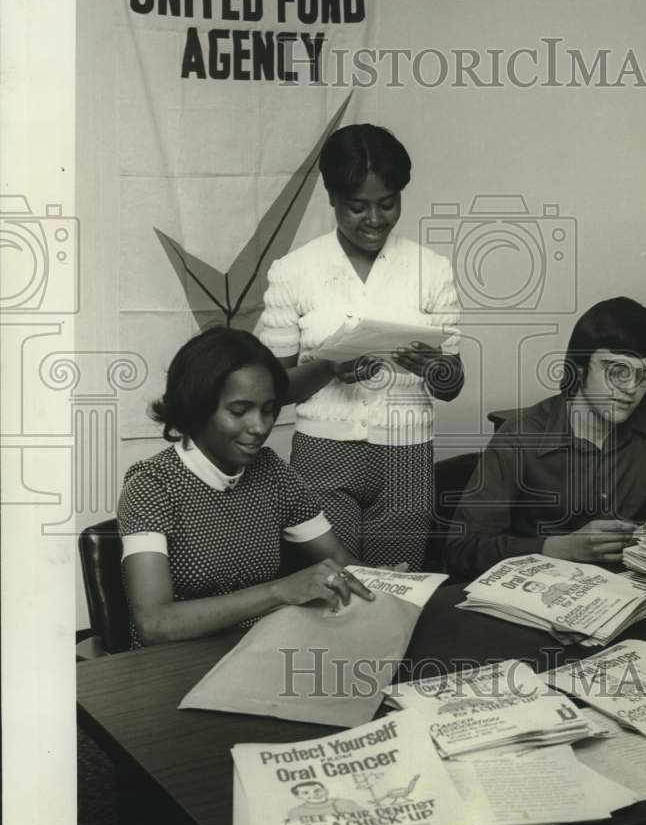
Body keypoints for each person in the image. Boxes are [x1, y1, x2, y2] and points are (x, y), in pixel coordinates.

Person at [256, 123, 463, 571]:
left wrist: (434, 367)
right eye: (357, 207)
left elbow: (452, 385)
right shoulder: (294, 272)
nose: (374, 220)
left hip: (407, 452)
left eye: (387, 204)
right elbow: (274, 391)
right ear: (331, 198)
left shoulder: (432, 269)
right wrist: (330, 365)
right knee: (333, 589)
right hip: (322, 453)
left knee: (398, 585)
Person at [117, 327, 373, 646]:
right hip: (175, 664)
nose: (260, 426)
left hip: (259, 648)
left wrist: (385, 581)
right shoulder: (152, 484)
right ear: (197, 407)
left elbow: (340, 561)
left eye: (268, 410)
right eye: (239, 411)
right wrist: (281, 590)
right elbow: (155, 623)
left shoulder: (273, 472)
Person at [444, 297, 646, 580]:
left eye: (643, 375)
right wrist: (556, 548)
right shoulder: (520, 435)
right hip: (540, 590)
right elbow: (462, 549)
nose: (630, 388)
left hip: (634, 584)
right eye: (616, 370)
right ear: (579, 366)